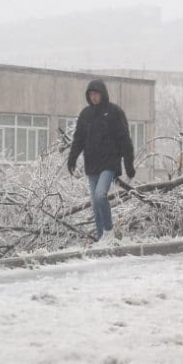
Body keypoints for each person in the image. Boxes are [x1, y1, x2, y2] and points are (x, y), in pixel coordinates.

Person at [66, 78, 135, 242]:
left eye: (96, 94)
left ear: (103, 94)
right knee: (95, 204)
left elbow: (124, 139)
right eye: (90, 94)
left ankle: (108, 230)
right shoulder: (85, 114)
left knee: (100, 195)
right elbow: (78, 140)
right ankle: (101, 239)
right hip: (92, 164)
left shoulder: (114, 112)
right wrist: (72, 159)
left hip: (110, 163)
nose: (93, 97)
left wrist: (128, 165)